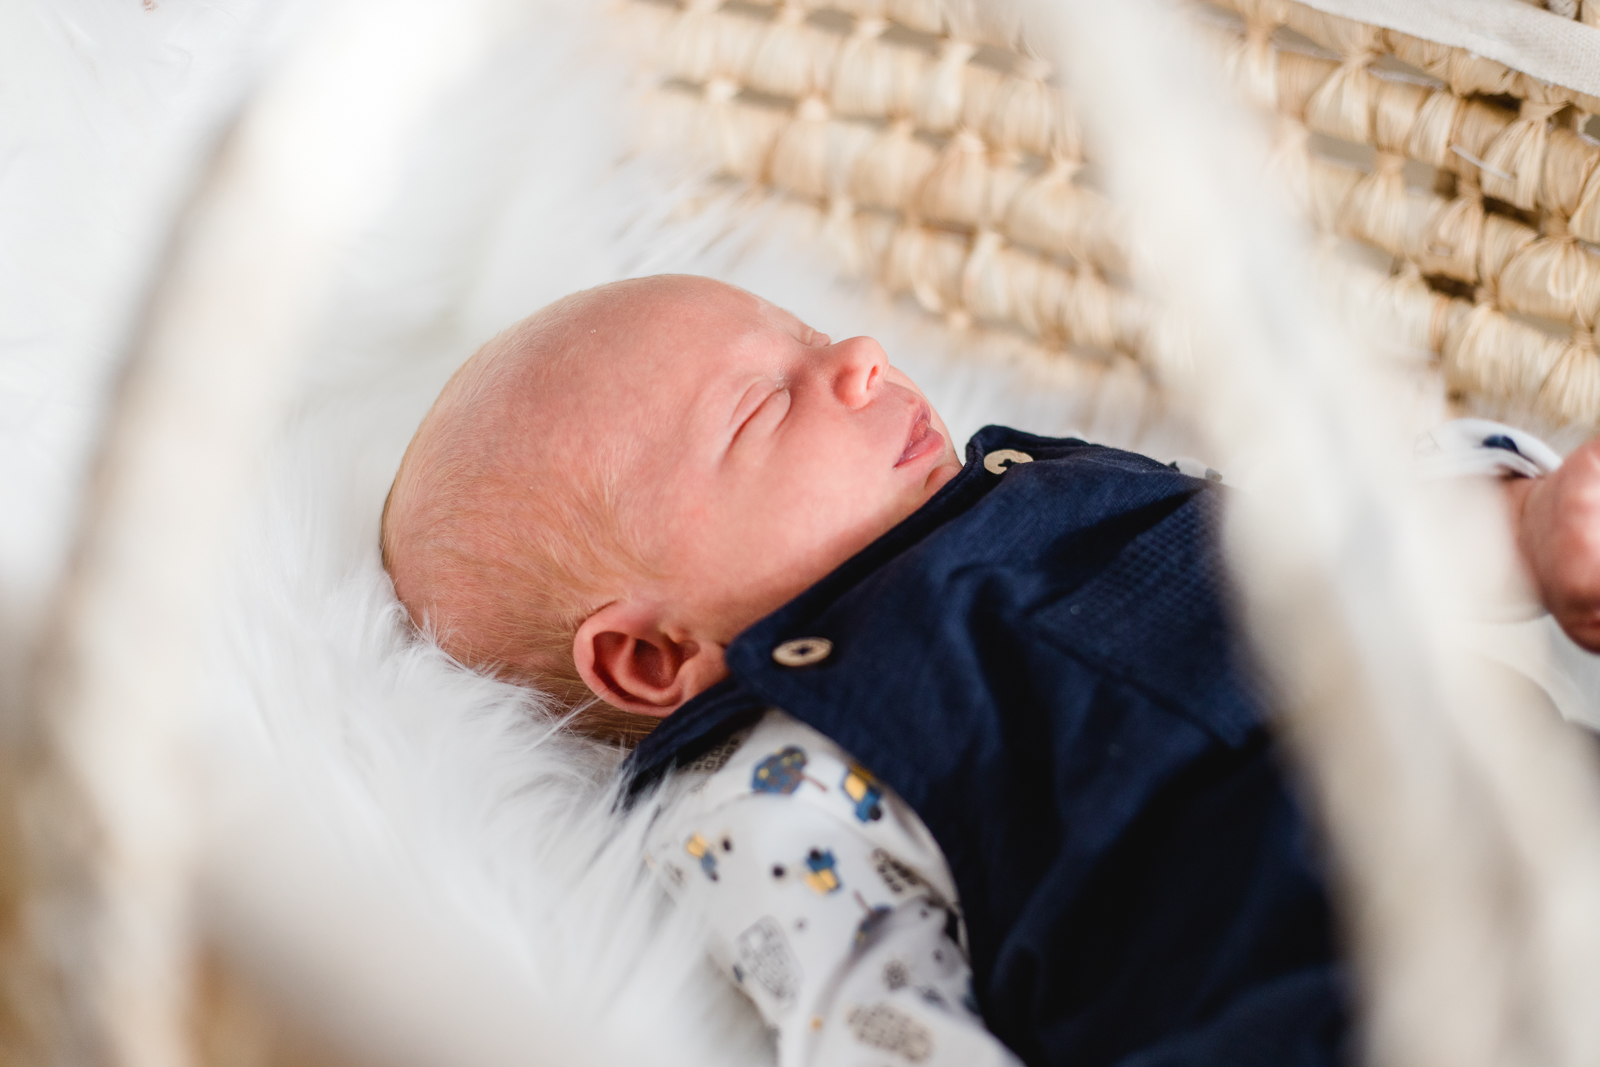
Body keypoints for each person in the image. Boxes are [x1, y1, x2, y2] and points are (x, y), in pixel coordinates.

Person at [380, 274, 1600, 1067]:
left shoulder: (1058, 490)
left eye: (809, 334)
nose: (860, 356)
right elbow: (870, 1014)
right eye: (763, 406)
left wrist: (1523, 527)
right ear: (651, 655)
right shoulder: (771, 782)